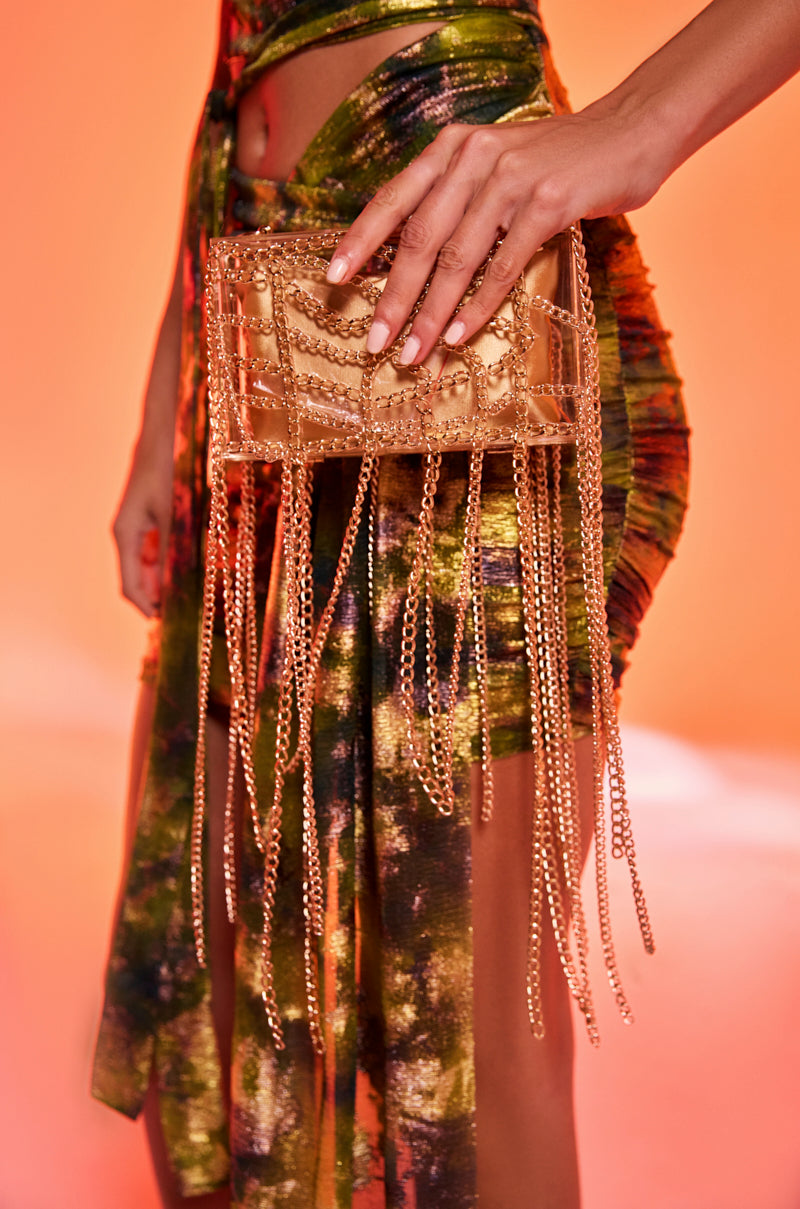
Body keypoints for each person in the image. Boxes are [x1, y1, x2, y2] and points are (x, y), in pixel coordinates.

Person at [93, 2, 800, 1206]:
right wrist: (175, 386)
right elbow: (238, 58)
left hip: (465, 308)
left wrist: (636, 125)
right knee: (219, 965)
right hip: (268, 325)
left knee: (462, 1037)